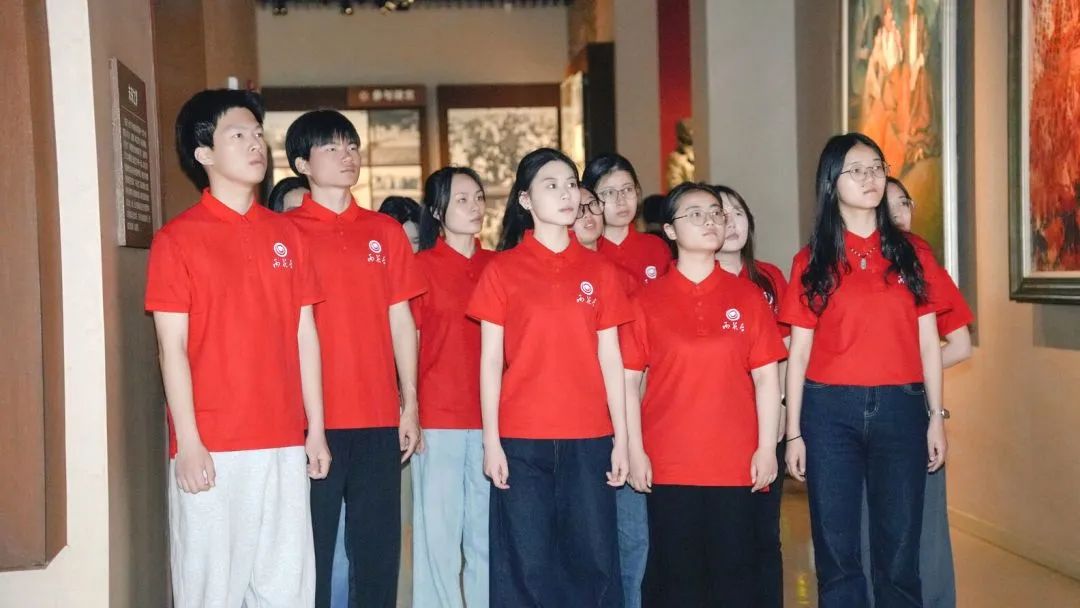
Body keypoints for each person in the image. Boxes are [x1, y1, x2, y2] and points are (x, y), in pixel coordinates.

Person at [146, 89, 330, 607]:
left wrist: (315, 428)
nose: (255, 144)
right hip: (213, 446)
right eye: (238, 134)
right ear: (203, 152)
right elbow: (171, 348)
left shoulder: (287, 234)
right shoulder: (177, 240)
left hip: (283, 439)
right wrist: (188, 442)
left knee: (286, 589)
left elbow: (305, 335)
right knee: (210, 590)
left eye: (257, 134)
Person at [782, 133, 951, 608]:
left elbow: (928, 342)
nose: (870, 177)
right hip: (829, 412)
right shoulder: (811, 260)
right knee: (836, 551)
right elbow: (798, 353)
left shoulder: (913, 253)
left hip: (901, 407)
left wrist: (936, 416)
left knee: (899, 551)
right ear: (831, 183)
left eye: (876, 167)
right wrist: (793, 433)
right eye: (856, 170)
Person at [468, 148, 631, 607]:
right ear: (525, 199)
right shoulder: (502, 270)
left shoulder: (600, 271)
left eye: (571, 184)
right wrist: (491, 441)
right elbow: (490, 362)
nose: (566, 194)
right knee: (525, 564)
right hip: (522, 439)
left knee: (593, 560)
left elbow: (611, 359)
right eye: (551, 185)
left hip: (589, 436)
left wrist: (621, 439)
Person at [284, 109, 427, 608]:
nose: (347, 156)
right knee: (312, 556)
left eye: (351, 146)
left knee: (377, 554)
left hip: (377, 416)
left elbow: (402, 321)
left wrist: (410, 404)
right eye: (331, 147)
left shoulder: (384, 231)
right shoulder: (285, 233)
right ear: (302, 163)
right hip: (310, 422)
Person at [622, 182, 785, 607]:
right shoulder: (645, 300)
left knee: (735, 581)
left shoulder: (748, 296)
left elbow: (767, 379)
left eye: (716, 213)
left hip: (735, 463)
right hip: (668, 462)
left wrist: (767, 448)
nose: (710, 221)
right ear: (669, 231)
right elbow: (628, 383)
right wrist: (634, 450)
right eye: (695, 214)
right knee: (677, 582)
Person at [858, 176, 976, 608]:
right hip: (856, 410)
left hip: (911, 407)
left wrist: (906, 372)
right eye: (887, 205)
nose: (898, 213)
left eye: (904, 202)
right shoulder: (848, 259)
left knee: (922, 524)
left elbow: (959, 345)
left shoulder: (920, 257)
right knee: (866, 519)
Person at [582, 153, 670, 607]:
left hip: (654, 399)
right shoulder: (584, 253)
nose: (619, 201)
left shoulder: (657, 251)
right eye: (607, 193)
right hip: (595, 402)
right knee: (602, 528)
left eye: (627, 190)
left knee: (644, 530)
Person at [409, 167, 495, 608]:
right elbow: (408, 345)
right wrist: (410, 412)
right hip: (438, 418)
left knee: (485, 537)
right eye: (462, 199)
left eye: (478, 197)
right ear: (438, 211)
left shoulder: (498, 267)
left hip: (492, 422)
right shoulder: (419, 268)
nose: (475, 207)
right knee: (438, 539)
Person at [713, 184, 790, 608]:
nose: (731, 223)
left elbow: (787, 349)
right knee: (722, 534)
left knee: (765, 533)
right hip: (715, 426)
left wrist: (782, 409)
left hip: (764, 423)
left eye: (738, 213)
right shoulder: (692, 281)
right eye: (721, 214)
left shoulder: (769, 278)